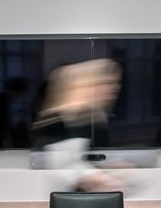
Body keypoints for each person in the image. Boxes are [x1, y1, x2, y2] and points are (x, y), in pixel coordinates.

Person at [30, 59, 124, 191]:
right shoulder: (54, 119)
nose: (113, 89)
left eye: (115, 83)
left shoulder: (93, 118)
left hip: (90, 196)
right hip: (66, 200)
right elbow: (59, 165)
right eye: (105, 83)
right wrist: (94, 175)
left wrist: (112, 165)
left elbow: (88, 158)